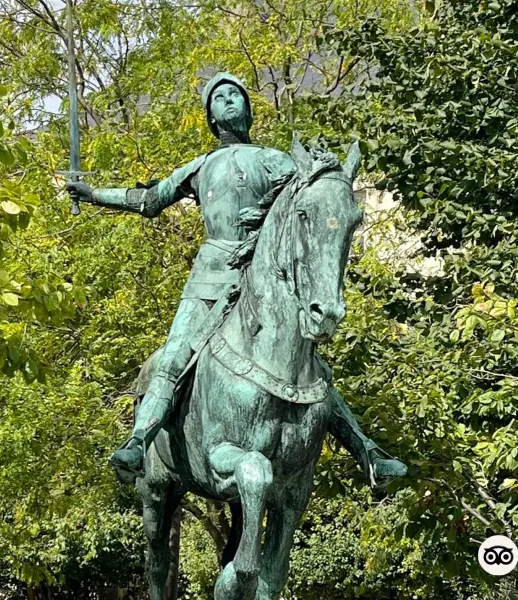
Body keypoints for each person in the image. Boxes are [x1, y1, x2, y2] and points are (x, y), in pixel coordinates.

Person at [67, 72, 407, 486]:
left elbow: (311, 196)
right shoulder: (202, 165)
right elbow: (149, 200)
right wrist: (93, 193)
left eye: (235, 95)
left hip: (262, 278)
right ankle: (139, 442)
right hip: (210, 275)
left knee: (307, 367)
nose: (228, 101)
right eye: (219, 97)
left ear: (247, 108)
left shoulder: (275, 159)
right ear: (210, 116)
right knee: (174, 354)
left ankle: (366, 452)